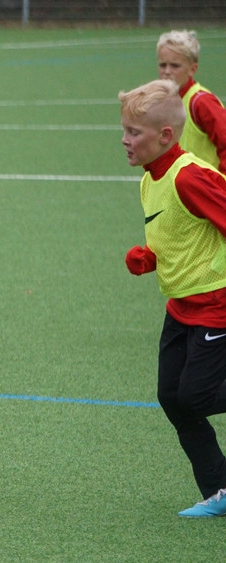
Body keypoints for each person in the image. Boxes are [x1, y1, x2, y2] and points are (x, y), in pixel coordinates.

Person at [122, 78, 226, 517]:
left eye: (134, 132)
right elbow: (180, 235)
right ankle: (220, 490)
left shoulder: (191, 176)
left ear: (165, 135)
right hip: (181, 308)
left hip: (216, 308)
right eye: (124, 130)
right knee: (171, 395)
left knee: (196, 397)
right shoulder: (150, 178)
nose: (125, 140)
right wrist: (149, 258)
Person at [156, 30, 226, 173]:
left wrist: (220, 183)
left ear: (192, 69)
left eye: (175, 66)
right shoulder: (163, 101)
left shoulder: (201, 102)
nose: (167, 71)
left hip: (206, 184)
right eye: (163, 65)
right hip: (180, 184)